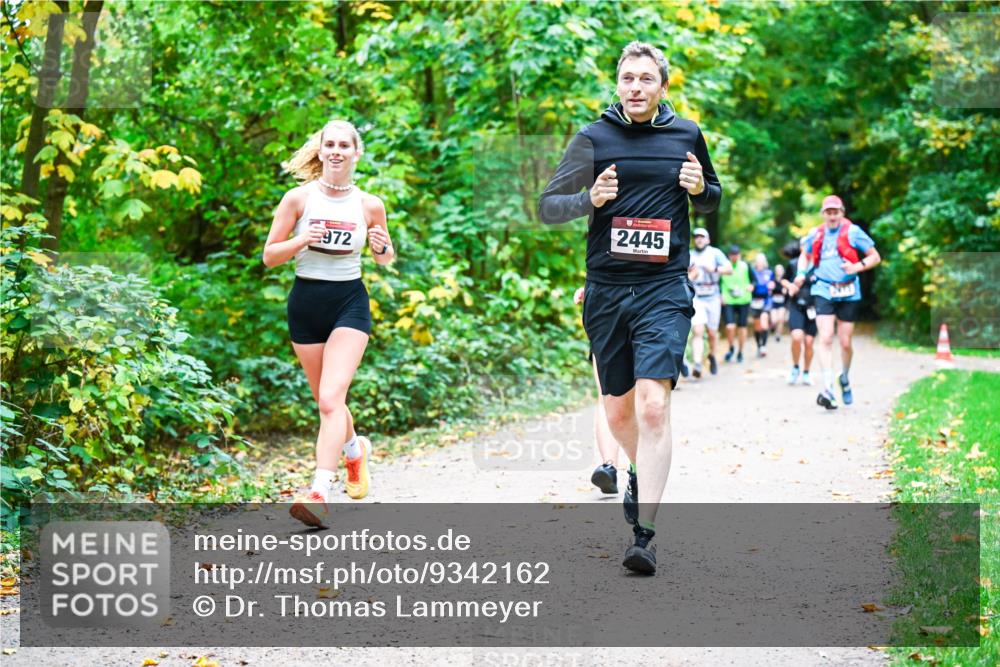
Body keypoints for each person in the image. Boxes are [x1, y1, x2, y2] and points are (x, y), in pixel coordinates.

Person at [539, 41, 721, 574]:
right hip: (606, 290)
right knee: (618, 412)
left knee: (652, 407)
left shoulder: (686, 134)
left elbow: (712, 196)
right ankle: (640, 470)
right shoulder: (594, 137)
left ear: (663, 85)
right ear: (617, 85)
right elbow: (548, 207)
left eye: (646, 79)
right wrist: (588, 200)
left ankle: (646, 533)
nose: (636, 88)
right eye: (627, 79)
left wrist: (701, 188)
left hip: (664, 287)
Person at [263, 120, 396, 527]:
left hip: (348, 304)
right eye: (329, 144)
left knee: (329, 399)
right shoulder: (297, 199)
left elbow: (385, 256)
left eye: (344, 145)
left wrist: (382, 247)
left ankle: (320, 491)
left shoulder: (369, 204)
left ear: (356, 153)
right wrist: (303, 239)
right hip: (305, 303)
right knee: (329, 400)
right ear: (320, 152)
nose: (336, 151)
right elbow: (269, 256)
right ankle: (354, 452)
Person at [796, 195, 880, 409]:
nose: (832, 216)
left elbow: (875, 257)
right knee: (824, 338)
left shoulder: (853, 232)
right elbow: (804, 256)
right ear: (823, 214)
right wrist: (800, 273)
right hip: (823, 288)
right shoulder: (815, 234)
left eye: (836, 212)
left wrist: (857, 267)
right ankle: (828, 388)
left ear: (842, 213)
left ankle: (844, 376)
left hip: (849, 290)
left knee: (845, 342)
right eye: (828, 212)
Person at [575, 286, 621, 495]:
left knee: (640, 398)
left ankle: (636, 468)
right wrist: (591, 286)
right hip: (606, 309)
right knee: (606, 396)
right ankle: (608, 468)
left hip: (649, 310)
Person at [686, 227, 733, 378]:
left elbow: (729, 269)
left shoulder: (715, 253)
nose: (699, 239)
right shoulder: (690, 255)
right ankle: (697, 364)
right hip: (697, 296)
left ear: (708, 239)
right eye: (696, 237)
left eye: (702, 237)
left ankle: (712, 355)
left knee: (712, 333)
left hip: (712, 295)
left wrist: (714, 269)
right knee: (698, 331)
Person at [781, 240, 816, 386]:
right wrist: (790, 286)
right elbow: (783, 280)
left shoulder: (819, 265)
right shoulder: (793, 264)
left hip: (814, 307)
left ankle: (806, 372)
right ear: (801, 247)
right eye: (805, 244)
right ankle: (795, 367)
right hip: (796, 305)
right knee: (796, 337)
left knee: (809, 342)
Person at [720, 245, 752, 363]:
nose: (734, 257)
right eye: (732, 254)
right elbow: (718, 281)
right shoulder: (724, 266)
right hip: (729, 300)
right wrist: (720, 294)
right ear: (729, 255)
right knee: (730, 326)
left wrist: (751, 286)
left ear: (739, 255)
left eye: (736, 254)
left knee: (742, 327)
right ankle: (731, 347)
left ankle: (740, 352)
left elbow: (754, 280)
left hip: (744, 299)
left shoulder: (745, 265)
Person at [750, 253, 775, 357]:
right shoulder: (752, 272)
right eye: (758, 261)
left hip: (766, 300)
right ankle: (759, 345)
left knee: (764, 323)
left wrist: (772, 285)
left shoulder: (769, 273)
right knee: (757, 326)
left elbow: (773, 283)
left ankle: (764, 346)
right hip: (755, 300)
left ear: (764, 262)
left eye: (761, 261)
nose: (760, 263)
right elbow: (749, 283)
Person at [770, 263, 788, 342]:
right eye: (777, 270)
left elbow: (789, 293)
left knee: (781, 319)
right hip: (774, 302)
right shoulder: (772, 281)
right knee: (774, 320)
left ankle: (778, 334)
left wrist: (786, 290)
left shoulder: (785, 281)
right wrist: (770, 289)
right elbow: (769, 293)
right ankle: (772, 327)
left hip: (782, 303)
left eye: (780, 270)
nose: (779, 271)